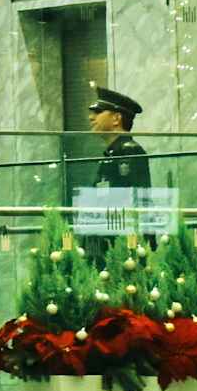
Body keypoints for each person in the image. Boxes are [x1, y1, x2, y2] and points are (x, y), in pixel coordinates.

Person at [67, 88, 148, 270]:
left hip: (119, 244)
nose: (91, 118)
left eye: (98, 112)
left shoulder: (128, 150)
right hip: (106, 240)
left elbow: (136, 201)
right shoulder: (112, 153)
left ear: (116, 118)